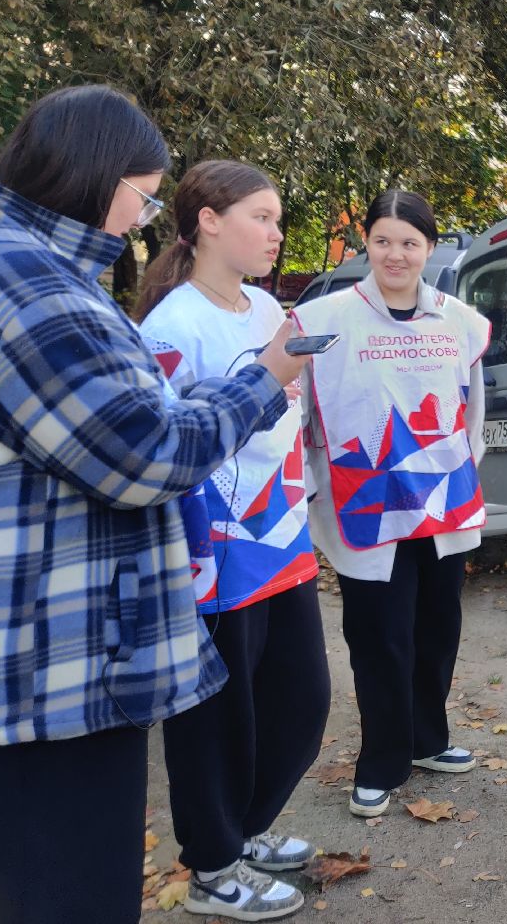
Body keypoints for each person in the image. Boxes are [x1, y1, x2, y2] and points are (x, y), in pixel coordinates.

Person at [0, 86, 308, 924]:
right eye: (144, 192)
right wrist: (266, 379)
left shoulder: (35, 268)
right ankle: (218, 855)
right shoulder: (36, 288)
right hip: (56, 659)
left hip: (66, 646)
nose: (141, 216)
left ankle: (238, 837)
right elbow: (150, 451)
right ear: (99, 176)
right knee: (72, 890)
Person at [136, 161, 330, 921]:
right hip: (212, 553)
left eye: (279, 218)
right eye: (262, 216)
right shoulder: (173, 326)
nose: (278, 234)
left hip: (281, 539)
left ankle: (243, 831)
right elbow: (166, 449)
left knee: (301, 701)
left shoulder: (265, 311)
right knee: (218, 721)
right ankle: (214, 869)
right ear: (208, 222)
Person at [291, 189, 491, 818]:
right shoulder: (324, 321)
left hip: (441, 507)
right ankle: (382, 761)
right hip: (367, 509)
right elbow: (302, 414)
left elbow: (474, 409)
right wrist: (315, 487)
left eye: (409, 242)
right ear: (366, 244)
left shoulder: (460, 320)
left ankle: (430, 740)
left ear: (429, 248)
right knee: (379, 638)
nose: (396, 254)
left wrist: (461, 467)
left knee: (437, 631)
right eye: (383, 240)